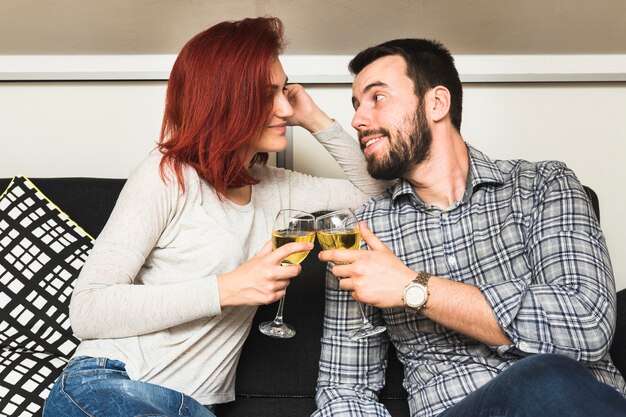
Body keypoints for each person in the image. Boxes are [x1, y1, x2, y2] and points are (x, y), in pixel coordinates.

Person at [42, 17, 387, 417]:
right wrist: (226, 289)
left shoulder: (280, 188)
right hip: (111, 383)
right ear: (225, 100)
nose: (283, 107)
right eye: (265, 94)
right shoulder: (167, 175)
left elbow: (379, 193)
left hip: (195, 408)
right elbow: (88, 310)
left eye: (284, 91)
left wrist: (315, 120)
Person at [313, 38, 626, 417]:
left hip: (571, 402)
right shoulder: (363, 235)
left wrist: (414, 288)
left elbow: (586, 322)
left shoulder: (543, 186)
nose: (358, 120)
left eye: (376, 98)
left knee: (547, 380)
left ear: (437, 104)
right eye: (356, 105)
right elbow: (344, 390)